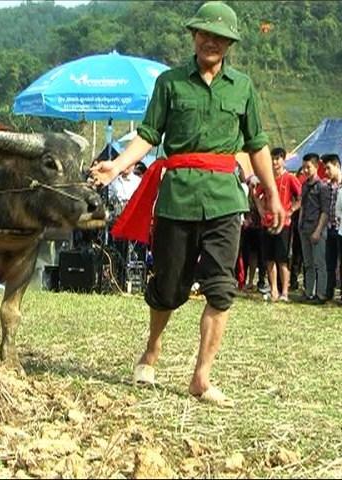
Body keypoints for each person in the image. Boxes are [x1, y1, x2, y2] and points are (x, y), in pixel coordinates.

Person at [91, 1, 285, 406]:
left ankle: (201, 375)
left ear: (230, 43)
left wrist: (272, 193)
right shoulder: (170, 82)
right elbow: (147, 133)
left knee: (220, 288)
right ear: (194, 36)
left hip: (225, 201)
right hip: (177, 198)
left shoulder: (243, 87)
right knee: (168, 285)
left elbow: (257, 144)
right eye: (204, 33)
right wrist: (117, 166)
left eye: (219, 36)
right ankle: (152, 349)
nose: (210, 40)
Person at [254, 147, 301, 302]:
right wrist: (261, 209)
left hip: (283, 224)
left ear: (283, 159)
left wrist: (291, 210)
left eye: (277, 158)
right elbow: (256, 194)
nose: (274, 162)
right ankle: (273, 289)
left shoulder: (289, 178)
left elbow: (301, 197)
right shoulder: (267, 179)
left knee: (282, 259)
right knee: (269, 259)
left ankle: (285, 292)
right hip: (267, 222)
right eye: (272, 159)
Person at [298, 153, 328, 304]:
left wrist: (318, 231)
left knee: (319, 263)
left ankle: (321, 294)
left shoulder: (322, 187)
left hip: (317, 229)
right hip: (304, 228)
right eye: (304, 167)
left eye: (308, 167)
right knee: (308, 263)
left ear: (316, 167)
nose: (305, 170)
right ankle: (309, 292)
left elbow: (325, 211)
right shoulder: (304, 185)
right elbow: (302, 205)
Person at [322, 154, 341, 301]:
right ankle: (328, 293)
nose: (326, 172)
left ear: (337, 166)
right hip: (330, 229)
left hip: (341, 230)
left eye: (328, 168)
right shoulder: (328, 186)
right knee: (329, 262)